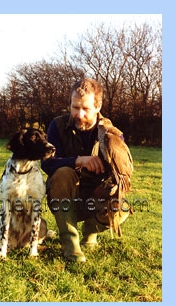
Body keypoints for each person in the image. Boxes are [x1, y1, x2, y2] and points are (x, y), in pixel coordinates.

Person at [41, 78, 128, 262]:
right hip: (66, 196)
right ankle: (70, 244)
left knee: (122, 207)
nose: (79, 114)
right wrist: (79, 161)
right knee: (62, 174)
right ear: (70, 104)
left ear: (98, 107)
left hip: (97, 197)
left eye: (86, 109)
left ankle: (90, 230)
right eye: (75, 107)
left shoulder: (113, 135)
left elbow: (122, 178)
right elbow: (47, 163)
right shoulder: (57, 126)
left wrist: (110, 188)